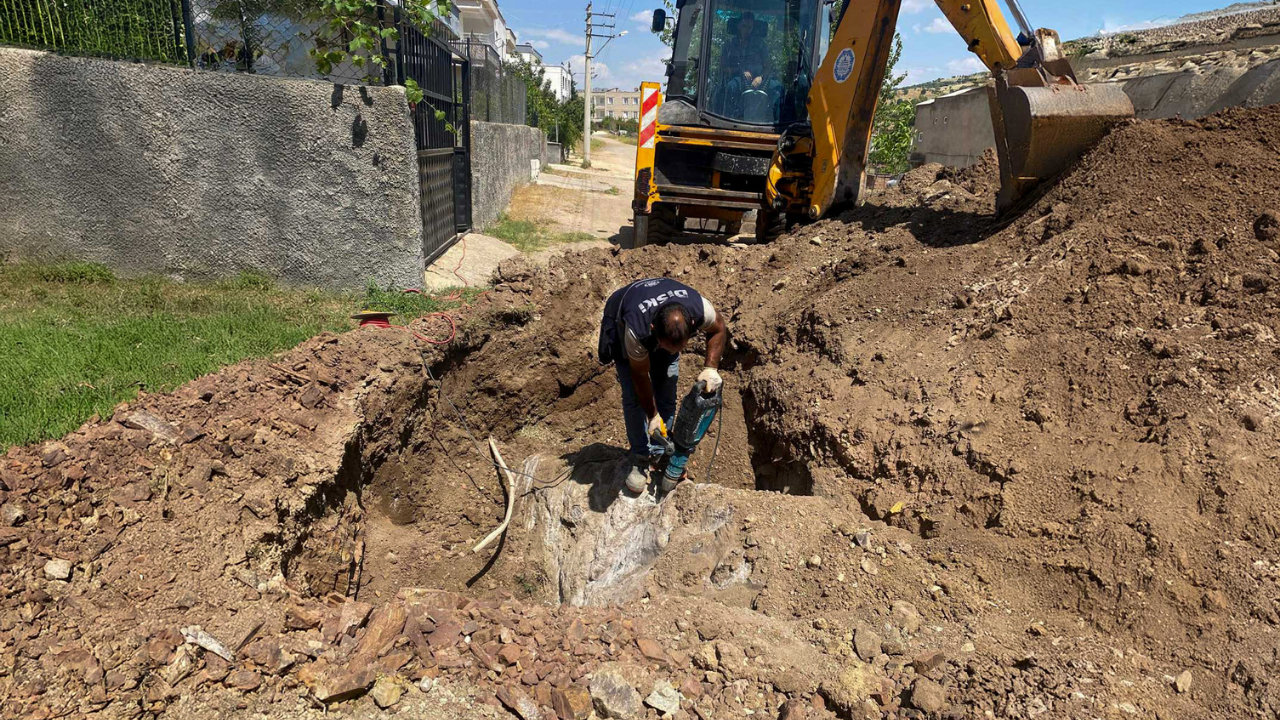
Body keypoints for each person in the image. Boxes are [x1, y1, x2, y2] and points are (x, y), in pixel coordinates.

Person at [598, 278, 728, 494]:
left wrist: (711, 368)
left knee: (666, 391)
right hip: (623, 313)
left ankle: (660, 452)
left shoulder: (700, 309)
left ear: (692, 326)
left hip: (661, 327)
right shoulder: (637, 329)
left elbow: (720, 328)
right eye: (664, 347)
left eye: (676, 349)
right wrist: (652, 415)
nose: (669, 353)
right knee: (633, 397)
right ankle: (640, 457)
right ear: (653, 330)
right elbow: (640, 375)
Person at [720, 11, 772, 117]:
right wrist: (740, 70)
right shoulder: (729, 45)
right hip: (737, 79)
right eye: (744, 26)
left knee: (778, 89)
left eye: (749, 27)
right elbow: (723, 68)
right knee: (731, 87)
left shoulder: (760, 44)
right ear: (738, 26)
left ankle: (776, 123)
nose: (746, 30)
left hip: (760, 80)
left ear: (753, 28)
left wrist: (761, 77)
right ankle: (727, 118)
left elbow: (768, 66)